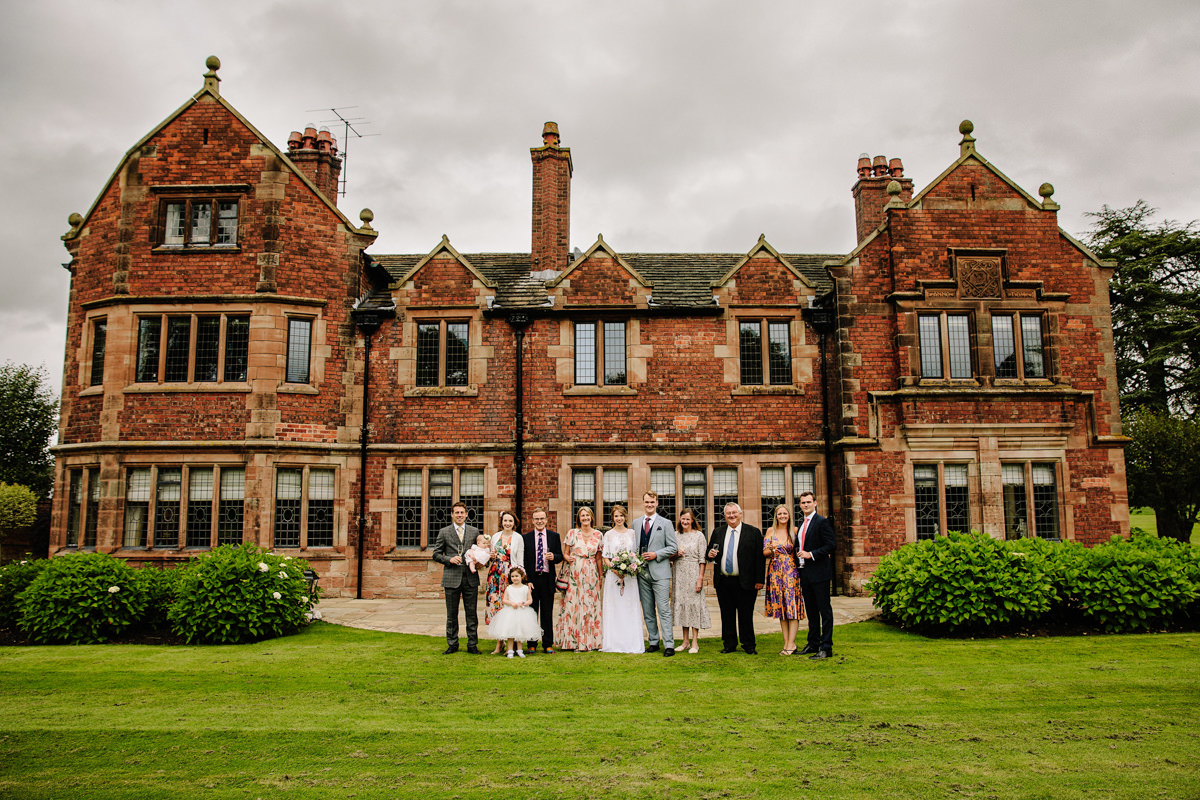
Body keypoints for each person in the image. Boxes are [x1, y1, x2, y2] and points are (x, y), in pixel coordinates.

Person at [706, 502, 765, 655]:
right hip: (724, 581)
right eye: (728, 513)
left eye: (734, 513)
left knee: (746, 614)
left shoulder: (753, 532)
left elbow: (759, 558)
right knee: (727, 614)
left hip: (745, 581)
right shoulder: (718, 532)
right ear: (725, 516)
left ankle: (749, 644)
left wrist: (759, 580)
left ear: (740, 514)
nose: (731, 516)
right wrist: (710, 554)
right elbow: (709, 552)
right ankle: (729, 644)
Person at [431, 501, 482, 654]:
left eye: (462, 512)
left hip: (470, 577)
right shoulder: (444, 532)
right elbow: (436, 554)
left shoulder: (474, 532)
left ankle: (472, 644)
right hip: (451, 577)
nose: (459, 515)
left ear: (466, 514)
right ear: (452, 515)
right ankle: (452, 644)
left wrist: (479, 561)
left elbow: (480, 552)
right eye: (456, 513)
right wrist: (449, 559)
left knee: (471, 614)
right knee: (452, 614)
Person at [631, 490, 678, 656]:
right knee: (648, 609)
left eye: (652, 502)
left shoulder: (665, 523)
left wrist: (656, 554)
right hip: (642, 572)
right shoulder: (636, 524)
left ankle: (669, 645)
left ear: (657, 503)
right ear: (643, 503)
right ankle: (653, 641)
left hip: (660, 572)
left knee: (663, 609)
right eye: (647, 502)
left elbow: (673, 547)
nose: (649, 505)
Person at [555, 506, 604, 651]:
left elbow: (599, 558)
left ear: (591, 517)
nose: (585, 518)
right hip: (574, 572)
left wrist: (601, 576)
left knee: (589, 604)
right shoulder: (572, 533)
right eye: (582, 516)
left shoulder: (598, 535)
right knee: (573, 604)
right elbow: (565, 553)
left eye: (587, 516)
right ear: (579, 518)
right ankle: (572, 641)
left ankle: (590, 641)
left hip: (591, 573)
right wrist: (567, 557)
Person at [795, 491, 837, 660]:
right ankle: (813, 643)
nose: (806, 505)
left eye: (808, 502)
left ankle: (826, 647)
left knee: (824, 611)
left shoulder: (822, 522)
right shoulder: (801, 524)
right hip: (805, 574)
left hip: (820, 573)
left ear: (815, 503)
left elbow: (831, 545)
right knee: (811, 611)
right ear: (800, 505)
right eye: (803, 502)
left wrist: (810, 554)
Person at [601, 504, 644, 653]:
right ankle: (614, 642)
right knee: (614, 608)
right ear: (612, 518)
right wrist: (615, 569)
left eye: (621, 515)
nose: (619, 518)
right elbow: (605, 557)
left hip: (630, 578)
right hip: (613, 577)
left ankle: (630, 642)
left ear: (625, 517)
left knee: (628, 607)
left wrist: (630, 568)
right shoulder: (608, 535)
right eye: (616, 516)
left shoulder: (632, 533)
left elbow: (635, 555)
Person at [763, 504, 804, 655]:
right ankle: (786, 643)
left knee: (792, 607)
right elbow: (765, 552)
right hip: (775, 572)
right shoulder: (770, 531)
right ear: (776, 516)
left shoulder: (794, 531)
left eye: (785, 513)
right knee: (781, 609)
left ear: (789, 515)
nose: (782, 516)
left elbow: (800, 549)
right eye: (779, 514)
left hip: (791, 573)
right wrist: (772, 548)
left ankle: (792, 643)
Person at [522, 508, 563, 653]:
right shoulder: (525, 538)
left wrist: (554, 557)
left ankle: (547, 644)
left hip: (547, 579)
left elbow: (560, 556)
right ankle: (531, 644)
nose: (539, 521)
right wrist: (527, 580)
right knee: (532, 613)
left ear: (546, 520)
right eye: (536, 519)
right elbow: (524, 560)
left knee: (547, 613)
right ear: (532, 521)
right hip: (532, 580)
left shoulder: (554, 536)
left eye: (542, 518)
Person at [671, 507, 711, 653]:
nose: (685, 522)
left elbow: (702, 559)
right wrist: (675, 554)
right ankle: (685, 641)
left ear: (692, 520)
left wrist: (700, 578)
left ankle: (695, 642)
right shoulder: (675, 535)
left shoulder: (699, 536)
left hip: (693, 572)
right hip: (679, 573)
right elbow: (669, 555)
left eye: (688, 519)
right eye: (683, 519)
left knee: (694, 605)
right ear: (679, 520)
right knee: (683, 606)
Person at [486, 511, 525, 654]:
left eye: (510, 521)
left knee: (509, 609)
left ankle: (513, 642)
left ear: (514, 523)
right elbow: (489, 556)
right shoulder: (495, 536)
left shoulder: (518, 538)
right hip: (494, 576)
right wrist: (489, 556)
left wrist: (520, 579)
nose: (507, 523)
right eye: (505, 521)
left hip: (510, 576)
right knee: (496, 608)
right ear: (501, 522)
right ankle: (499, 643)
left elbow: (520, 560)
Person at [486, 566, 541, 658]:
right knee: (510, 633)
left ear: (522, 576)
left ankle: (520, 650)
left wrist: (524, 603)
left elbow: (530, 600)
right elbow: (504, 600)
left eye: (517, 576)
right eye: (512, 576)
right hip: (510, 612)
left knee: (519, 633)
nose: (515, 578)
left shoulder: (525, 588)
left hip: (522, 612)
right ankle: (510, 650)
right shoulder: (509, 588)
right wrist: (511, 603)